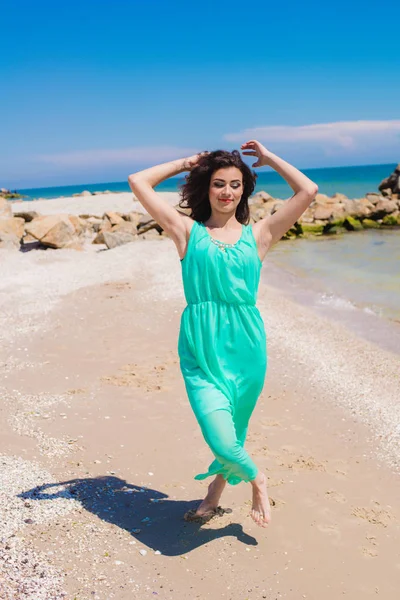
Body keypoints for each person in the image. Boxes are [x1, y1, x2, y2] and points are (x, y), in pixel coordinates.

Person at [128, 140, 318, 528]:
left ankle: (214, 492)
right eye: (218, 183)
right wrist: (185, 162)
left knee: (235, 428)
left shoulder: (260, 235)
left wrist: (268, 160)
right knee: (221, 437)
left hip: (247, 348)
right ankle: (257, 479)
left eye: (235, 184)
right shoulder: (186, 232)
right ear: (207, 188)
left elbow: (308, 191)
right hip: (200, 346)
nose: (227, 192)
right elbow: (138, 181)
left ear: (244, 190)